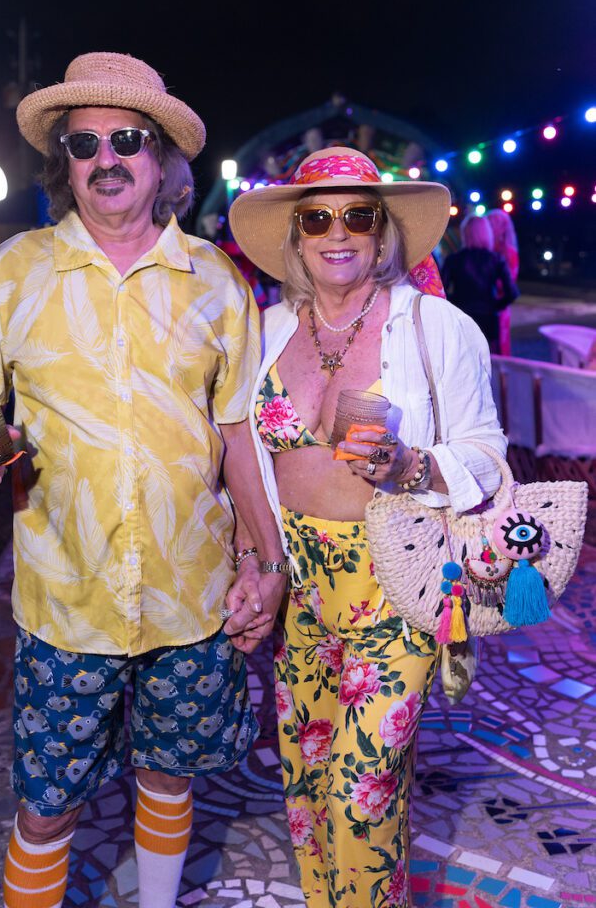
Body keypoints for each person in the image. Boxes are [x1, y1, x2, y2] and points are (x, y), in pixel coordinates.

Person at [0, 52, 288, 908]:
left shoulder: (215, 280)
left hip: (189, 593)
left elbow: (237, 434)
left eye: (127, 140)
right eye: (83, 143)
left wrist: (266, 560)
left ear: (161, 160)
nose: (106, 159)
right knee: (48, 805)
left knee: (169, 777)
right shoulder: (11, 272)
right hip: (66, 597)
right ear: (63, 162)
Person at [228, 147, 507, 907]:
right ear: (295, 235)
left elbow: (487, 452)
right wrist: (252, 559)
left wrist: (412, 465)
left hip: (396, 582)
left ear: (382, 232)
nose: (337, 232)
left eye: (358, 215)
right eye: (317, 218)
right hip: (300, 588)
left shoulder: (435, 327)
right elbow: (240, 459)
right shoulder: (265, 331)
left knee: (362, 789)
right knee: (310, 784)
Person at [441, 212, 518, 353]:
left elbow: (440, 291)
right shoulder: (496, 259)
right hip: (488, 320)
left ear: (465, 233)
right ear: (487, 233)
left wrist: (455, 304)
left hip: (461, 317)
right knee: (489, 361)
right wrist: (493, 305)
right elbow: (512, 293)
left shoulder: (453, 259)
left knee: (462, 360)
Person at [487, 207, 520, 356]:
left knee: (499, 345)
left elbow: (510, 283)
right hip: (487, 305)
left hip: (498, 307)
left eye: (493, 224)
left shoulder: (509, 253)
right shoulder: (485, 249)